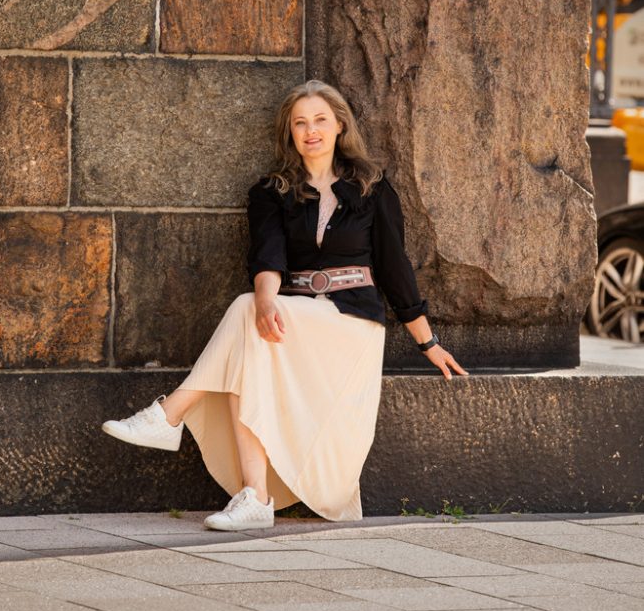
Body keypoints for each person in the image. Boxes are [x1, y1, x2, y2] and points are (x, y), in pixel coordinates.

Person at [102, 79, 468, 530]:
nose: (310, 130)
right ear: (289, 132)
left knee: (244, 316)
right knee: (248, 331)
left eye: (319, 120)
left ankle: (170, 414)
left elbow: (396, 270)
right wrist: (264, 301)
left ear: (339, 125)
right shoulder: (271, 191)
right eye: (300, 123)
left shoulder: (373, 188)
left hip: (350, 325)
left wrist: (427, 342)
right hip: (295, 317)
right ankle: (254, 496)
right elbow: (268, 256)